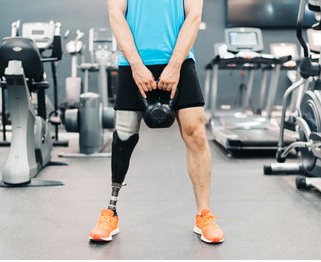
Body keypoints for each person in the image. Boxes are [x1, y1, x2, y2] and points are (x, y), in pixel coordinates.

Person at [89, 0, 224, 244]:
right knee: (124, 136)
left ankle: (203, 215)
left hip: (180, 60)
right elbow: (115, 14)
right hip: (133, 62)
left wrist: (175, 65)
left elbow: (193, 16)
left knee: (196, 133)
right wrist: (136, 66)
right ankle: (111, 211)